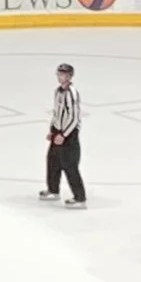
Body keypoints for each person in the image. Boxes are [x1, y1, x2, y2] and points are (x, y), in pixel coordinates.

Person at [42, 61, 87, 208]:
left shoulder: (72, 94)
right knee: (53, 161)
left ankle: (80, 198)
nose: (61, 77)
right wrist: (52, 130)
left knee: (70, 165)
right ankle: (53, 189)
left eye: (64, 75)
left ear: (69, 76)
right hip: (58, 131)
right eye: (59, 74)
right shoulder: (57, 92)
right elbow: (56, 113)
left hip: (69, 134)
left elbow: (74, 118)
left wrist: (64, 134)